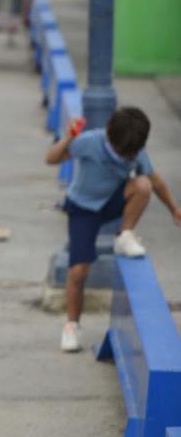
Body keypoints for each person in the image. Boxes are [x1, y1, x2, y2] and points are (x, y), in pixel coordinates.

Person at [44, 107, 181, 353]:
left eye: (132, 154)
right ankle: (71, 326)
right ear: (109, 136)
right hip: (83, 208)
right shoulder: (89, 142)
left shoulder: (136, 153)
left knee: (143, 184)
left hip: (111, 202)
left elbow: (156, 180)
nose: (128, 158)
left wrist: (174, 208)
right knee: (78, 270)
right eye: (122, 153)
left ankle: (124, 234)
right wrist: (68, 137)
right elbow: (52, 158)